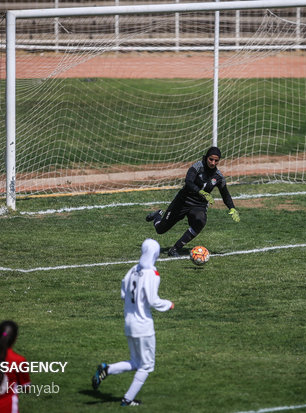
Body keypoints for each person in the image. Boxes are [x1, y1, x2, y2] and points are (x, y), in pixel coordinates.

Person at [92, 238, 174, 407]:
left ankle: (106, 370)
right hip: (143, 325)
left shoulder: (133, 269)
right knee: (146, 366)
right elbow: (152, 300)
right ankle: (127, 400)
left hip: (129, 322)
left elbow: (123, 293)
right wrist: (168, 304)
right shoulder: (152, 273)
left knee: (136, 362)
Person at [145, 146, 240, 257]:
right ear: (206, 158)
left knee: (200, 221)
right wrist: (201, 192)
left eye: (216, 160)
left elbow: (225, 194)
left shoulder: (218, 177)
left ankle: (175, 249)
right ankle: (157, 216)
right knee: (160, 229)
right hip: (182, 201)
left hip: (198, 205)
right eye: (211, 159)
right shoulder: (197, 167)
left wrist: (232, 208)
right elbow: (188, 182)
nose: (213, 163)